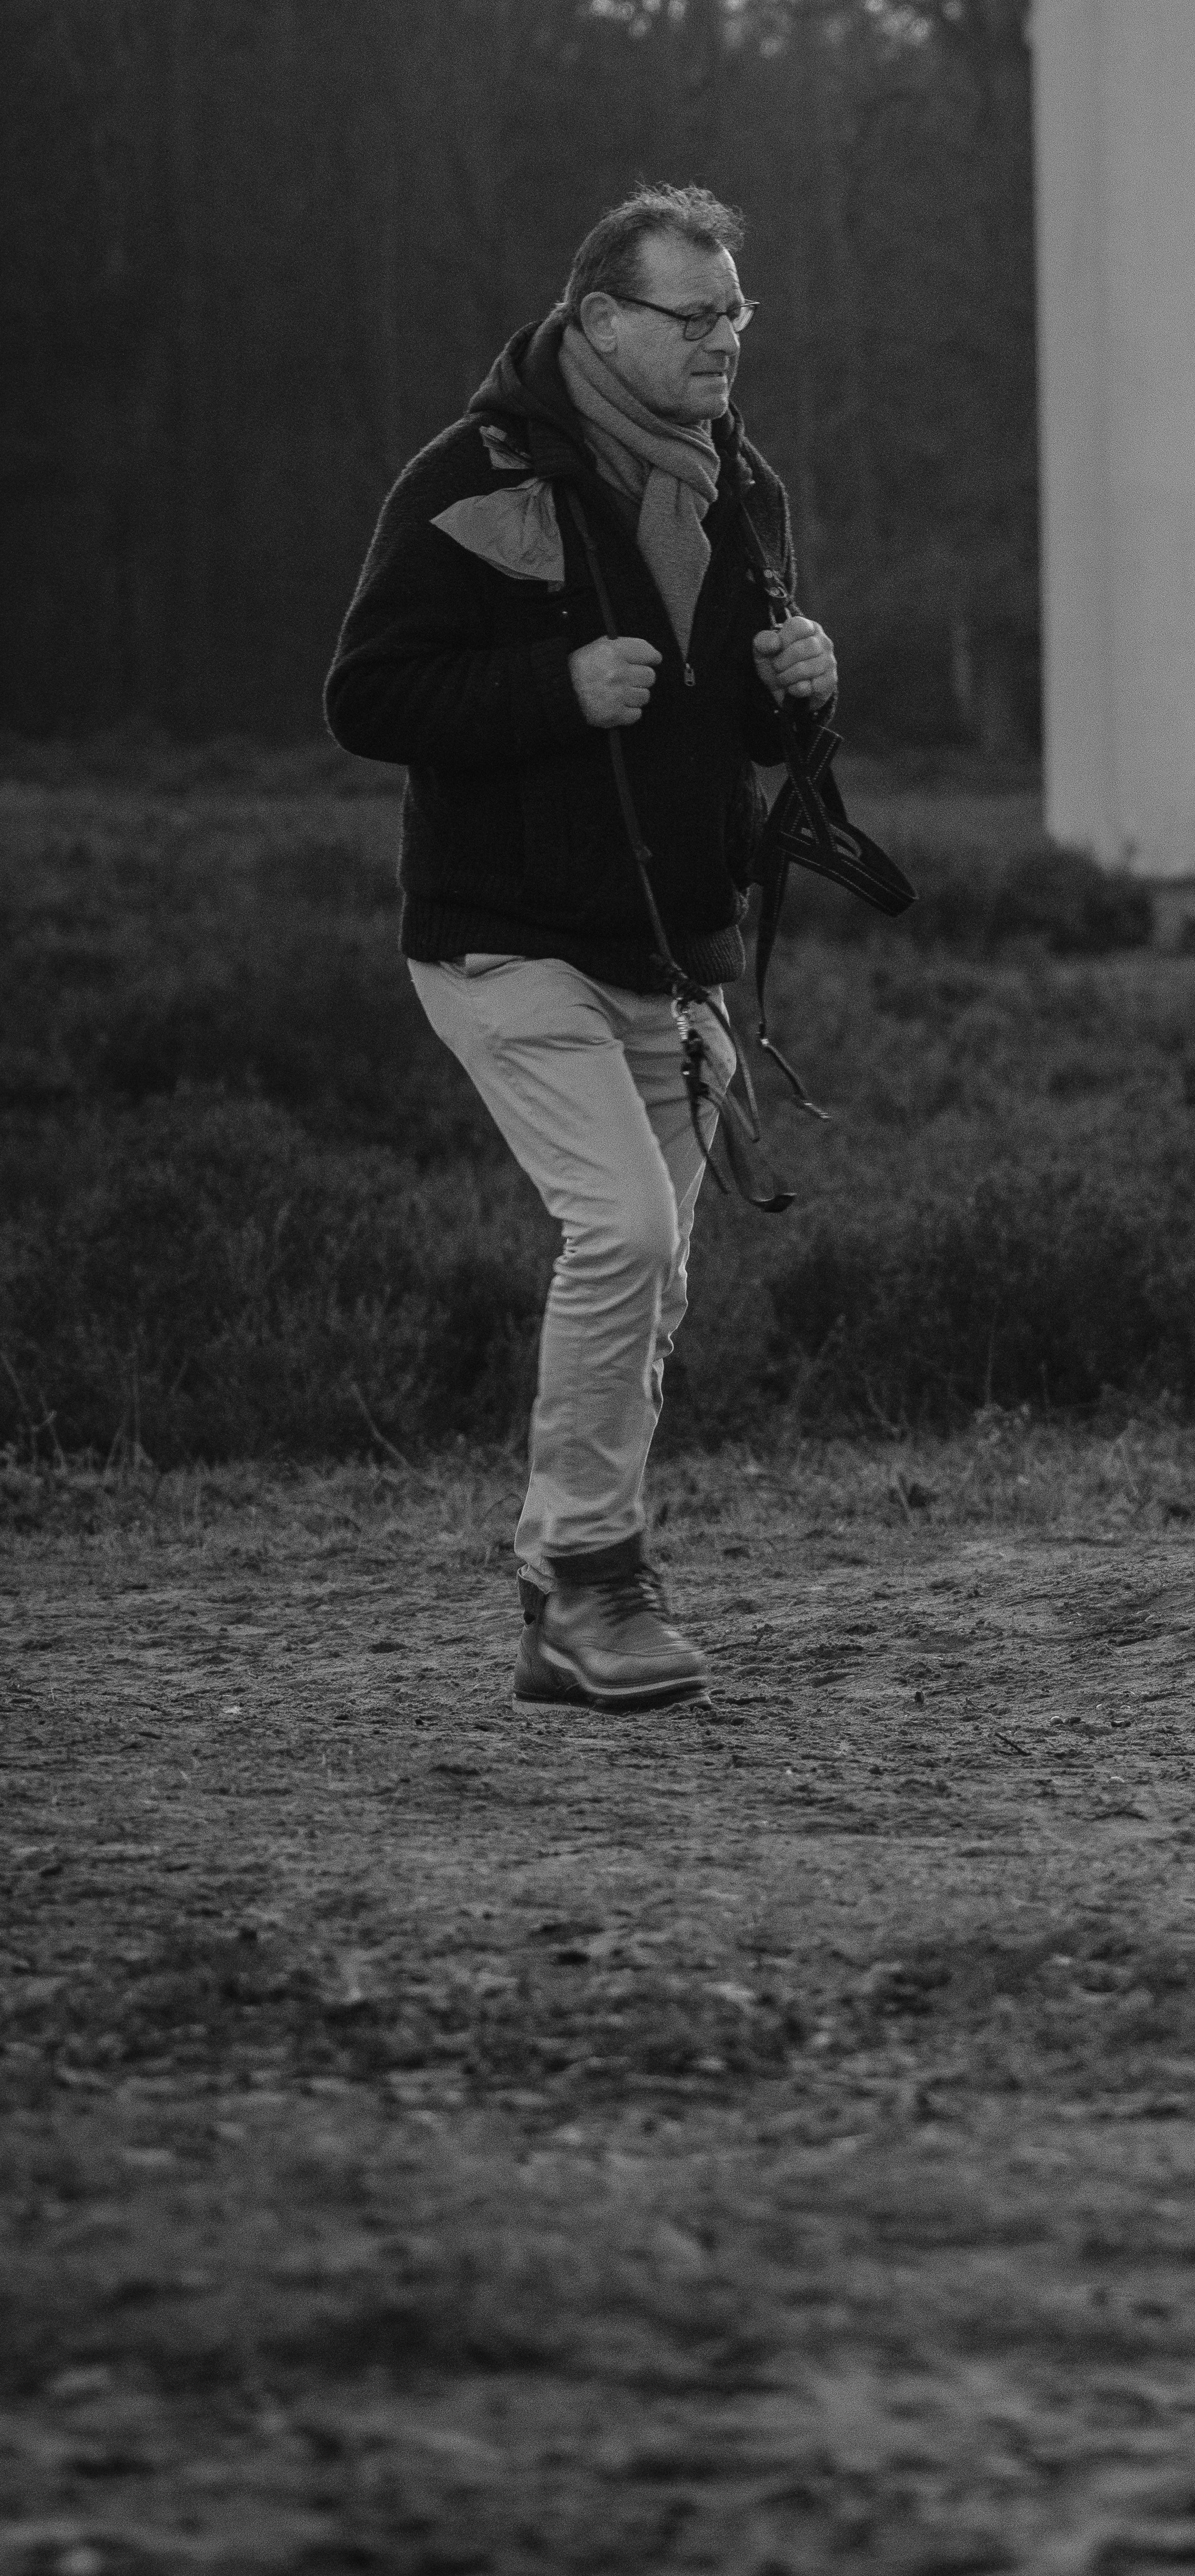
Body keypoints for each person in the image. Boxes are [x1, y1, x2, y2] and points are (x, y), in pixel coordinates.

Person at [325, 185, 837, 1714]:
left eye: (738, 314)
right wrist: (557, 686)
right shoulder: (470, 479)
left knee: (655, 1270)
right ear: (604, 321)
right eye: (698, 317)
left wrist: (797, 690)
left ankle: (568, 1591)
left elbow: (730, 728)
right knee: (620, 1230)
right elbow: (369, 698)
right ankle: (598, 1582)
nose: (727, 340)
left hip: (674, 955)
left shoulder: (746, 489)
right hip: (503, 942)